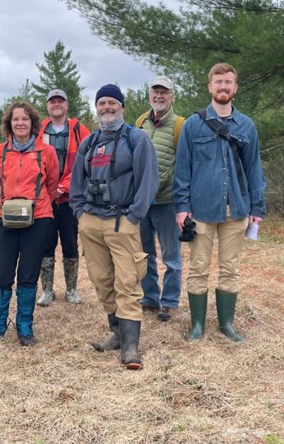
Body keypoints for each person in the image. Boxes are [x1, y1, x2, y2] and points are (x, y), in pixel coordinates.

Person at [173, 63, 266, 344]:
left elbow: (254, 169)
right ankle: (197, 325)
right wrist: (181, 206)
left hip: (237, 209)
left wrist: (257, 208)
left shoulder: (246, 126)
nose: (223, 87)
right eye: (218, 82)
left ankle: (226, 324)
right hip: (201, 209)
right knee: (198, 268)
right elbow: (183, 169)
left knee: (230, 268)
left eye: (228, 82)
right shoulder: (192, 125)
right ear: (209, 87)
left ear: (235, 88)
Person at [70, 84, 159, 370]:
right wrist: (80, 212)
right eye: (102, 103)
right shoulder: (90, 142)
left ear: (121, 106)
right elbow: (76, 181)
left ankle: (131, 347)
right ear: (96, 107)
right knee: (101, 279)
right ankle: (118, 334)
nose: (106, 107)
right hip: (92, 221)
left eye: (112, 102)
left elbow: (148, 181)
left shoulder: (137, 139)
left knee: (128, 281)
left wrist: (135, 215)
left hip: (123, 220)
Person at [0, 102, 59, 347]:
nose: (20, 123)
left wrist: (35, 203)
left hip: (38, 218)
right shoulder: (0, 152)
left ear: (33, 123)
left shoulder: (46, 152)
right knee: (2, 274)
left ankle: (25, 327)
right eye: (16, 119)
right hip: (5, 218)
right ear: (9, 123)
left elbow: (52, 185)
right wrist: (6, 202)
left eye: (25, 119)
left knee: (28, 273)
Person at [135, 76, 185, 322]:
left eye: (164, 92)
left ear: (172, 96)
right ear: (149, 95)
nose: (159, 96)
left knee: (171, 256)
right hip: (143, 202)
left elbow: (185, 165)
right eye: (155, 91)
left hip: (168, 202)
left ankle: (170, 302)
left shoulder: (180, 125)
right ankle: (150, 298)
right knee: (145, 254)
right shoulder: (140, 122)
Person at [36, 89, 90, 307]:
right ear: (47, 106)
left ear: (67, 105)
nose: (56, 104)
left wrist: (62, 187)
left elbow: (84, 163)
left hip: (70, 199)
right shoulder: (38, 131)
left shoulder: (79, 131)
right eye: (52, 101)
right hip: (45, 199)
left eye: (60, 101)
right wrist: (49, 189)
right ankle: (47, 291)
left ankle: (71, 289)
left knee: (70, 243)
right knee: (45, 244)